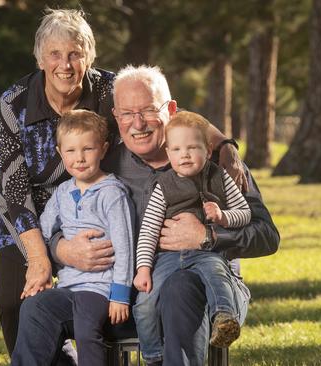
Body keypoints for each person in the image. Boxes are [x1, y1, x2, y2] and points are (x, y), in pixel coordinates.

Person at [16, 64, 280, 366]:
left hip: (207, 292)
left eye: (147, 111)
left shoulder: (214, 164)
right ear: (116, 116)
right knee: (39, 307)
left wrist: (208, 237)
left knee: (179, 288)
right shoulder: (103, 163)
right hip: (119, 299)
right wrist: (62, 249)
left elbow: (267, 236)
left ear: (170, 110)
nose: (137, 123)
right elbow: (61, 215)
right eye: (127, 113)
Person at [0, 8, 117, 359]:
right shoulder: (15, 102)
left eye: (75, 53)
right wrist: (41, 257)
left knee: (84, 302)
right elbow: (14, 185)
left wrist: (219, 141)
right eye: (55, 54)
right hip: (20, 212)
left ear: (89, 56)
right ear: (40, 58)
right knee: (16, 303)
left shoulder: (110, 91)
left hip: (87, 208)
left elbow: (158, 111)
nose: (65, 64)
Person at [11, 110, 135, 365]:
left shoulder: (112, 193)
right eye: (71, 151)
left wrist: (120, 294)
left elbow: (125, 248)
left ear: (103, 149)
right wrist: (42, 263)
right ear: (60, 153)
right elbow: (43, 231)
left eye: (87, 149)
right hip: (67, 287)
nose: (79, 158)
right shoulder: (62, 193)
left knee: (86, 330)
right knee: (35, 307)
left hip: (99, 288)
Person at [133, 111, 251, 365]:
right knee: (144, 303)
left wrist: (222, 217)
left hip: (207, 253)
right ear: (168, 153)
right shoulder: (163, 186)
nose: (184, 154)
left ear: (208, 151)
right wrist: (143, 268)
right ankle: (153, 354)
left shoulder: (220, 177)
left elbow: (245, 213)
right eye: (176, 149)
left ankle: (224, 320)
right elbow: (149, 231)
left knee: (218, 278)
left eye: (192, 147)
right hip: (168, 258)